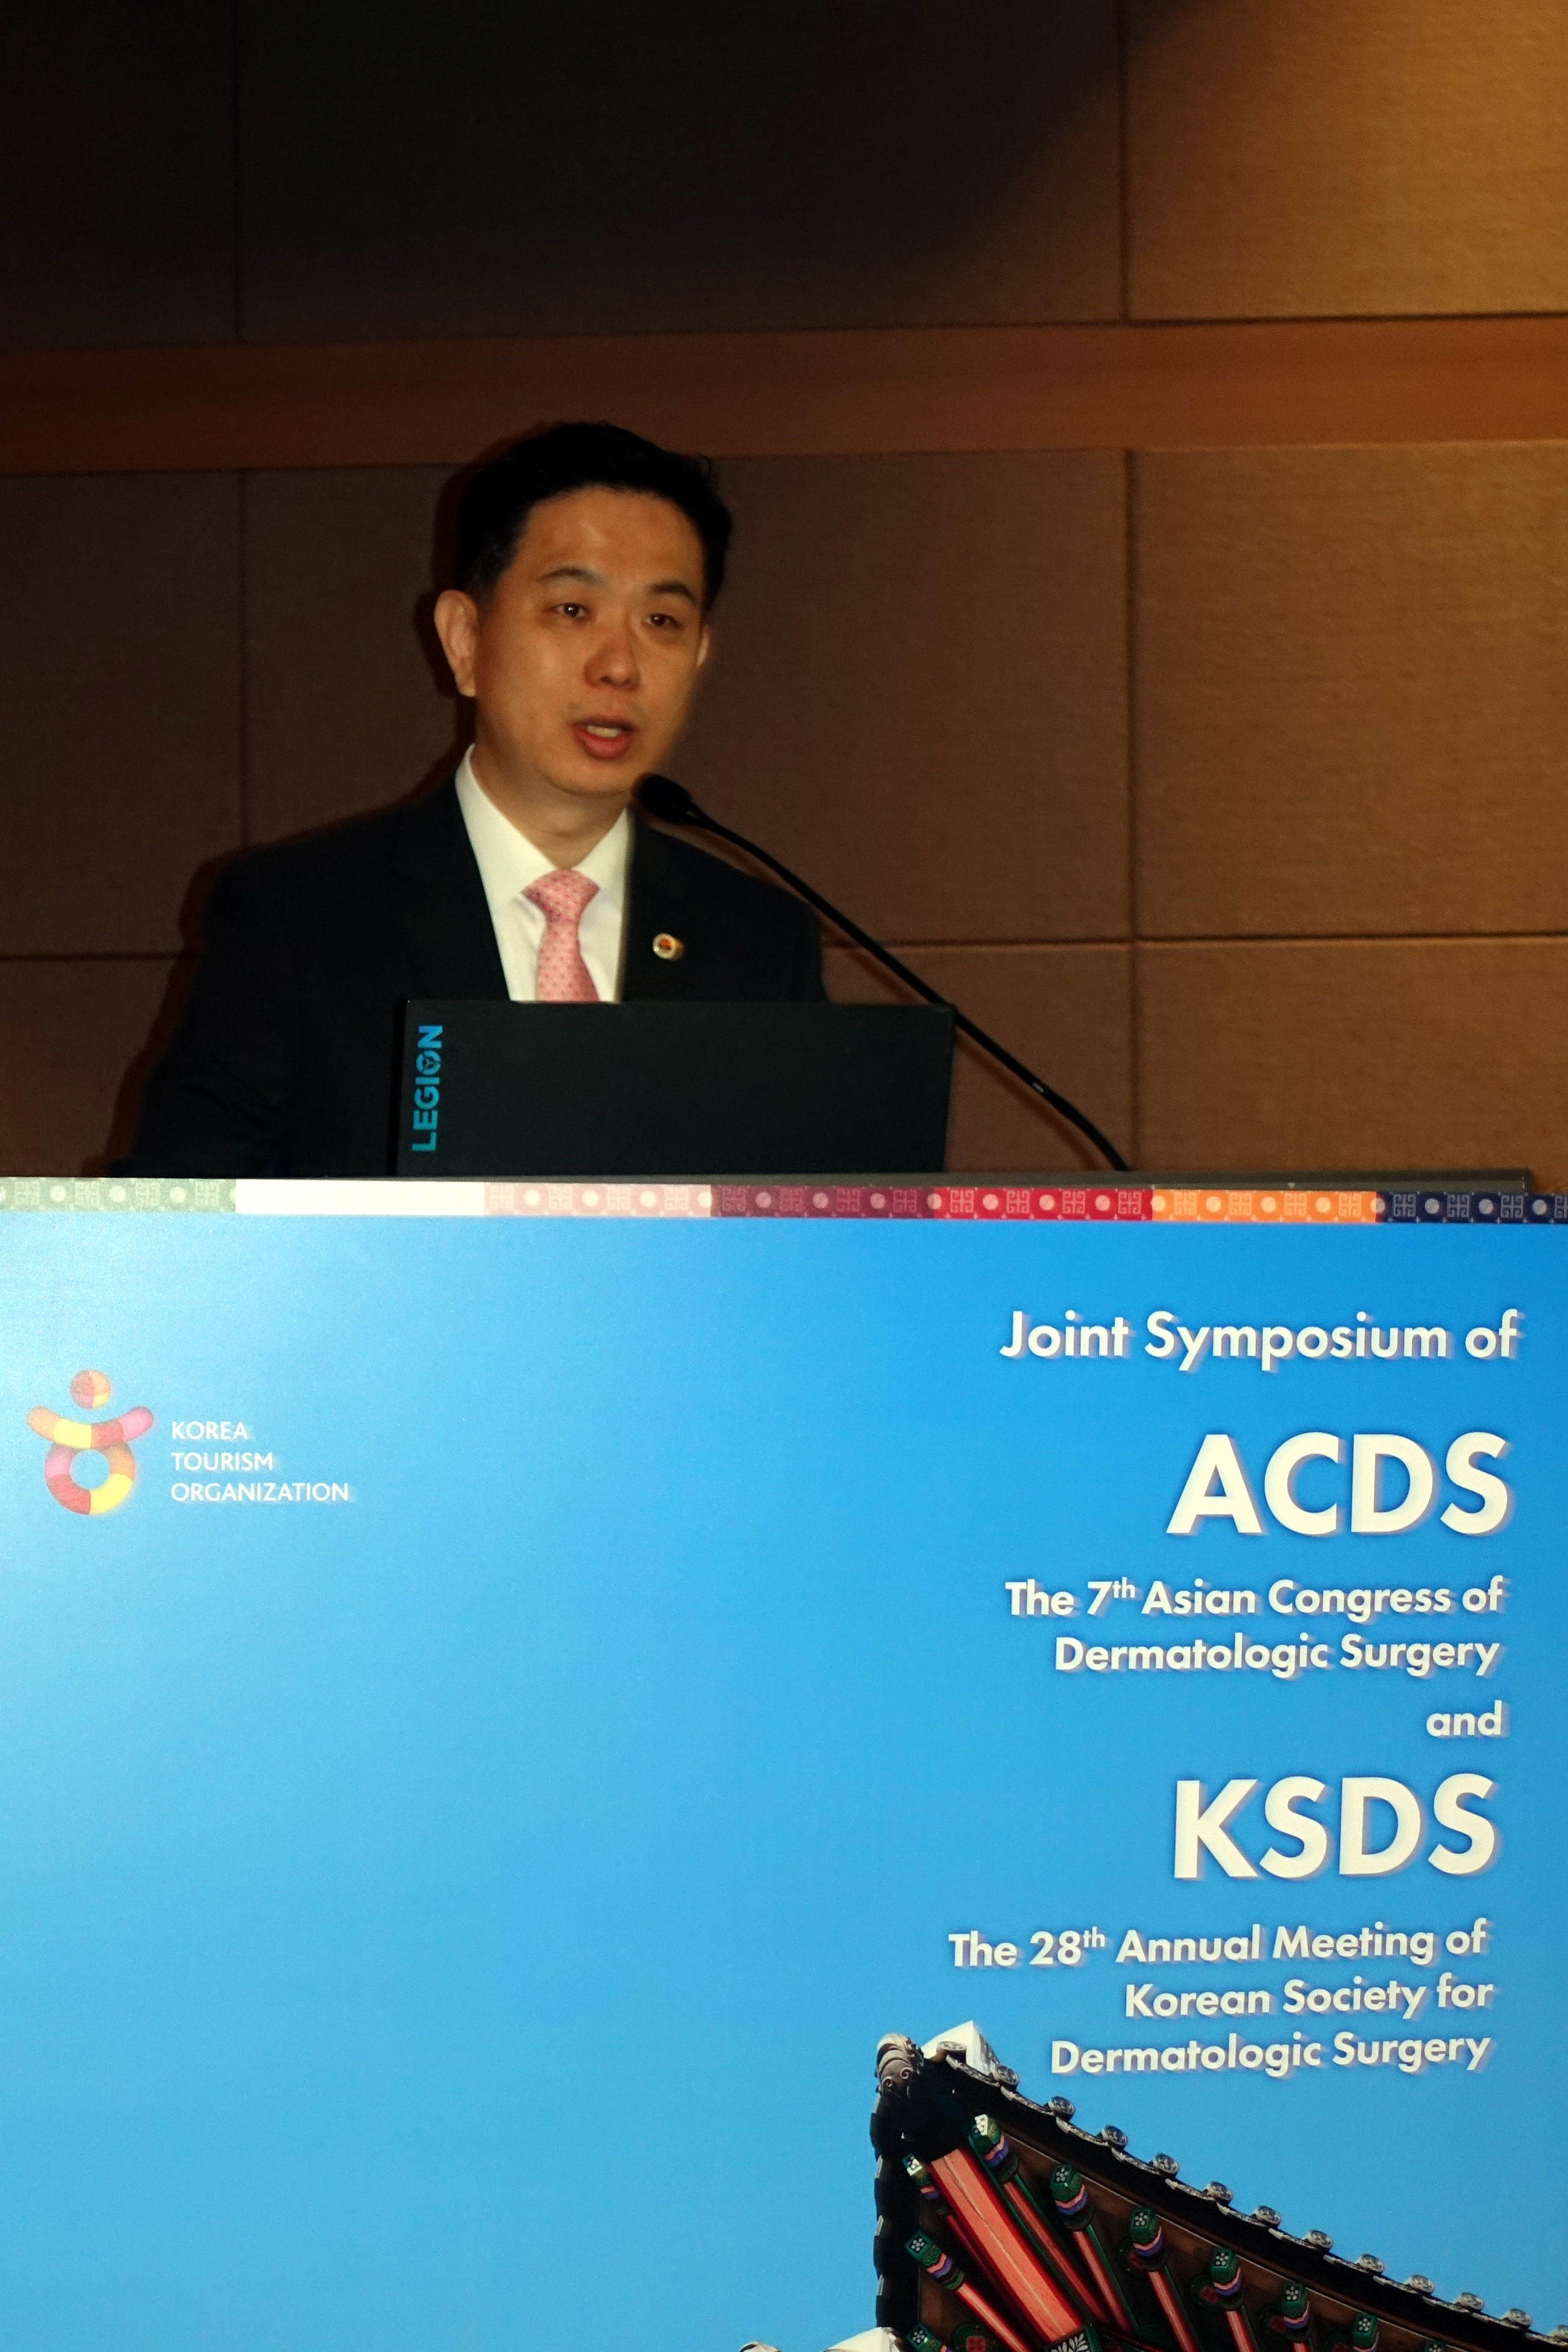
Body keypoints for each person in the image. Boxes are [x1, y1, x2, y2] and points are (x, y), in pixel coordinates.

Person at [122, 422, 825, 1177]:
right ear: (464, 640)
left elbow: (824, 1219)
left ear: (700, 655)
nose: (620, 666)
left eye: (662, 622)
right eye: (572, 610)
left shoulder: (760, 945)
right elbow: (175, 1219)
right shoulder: (300, 921)